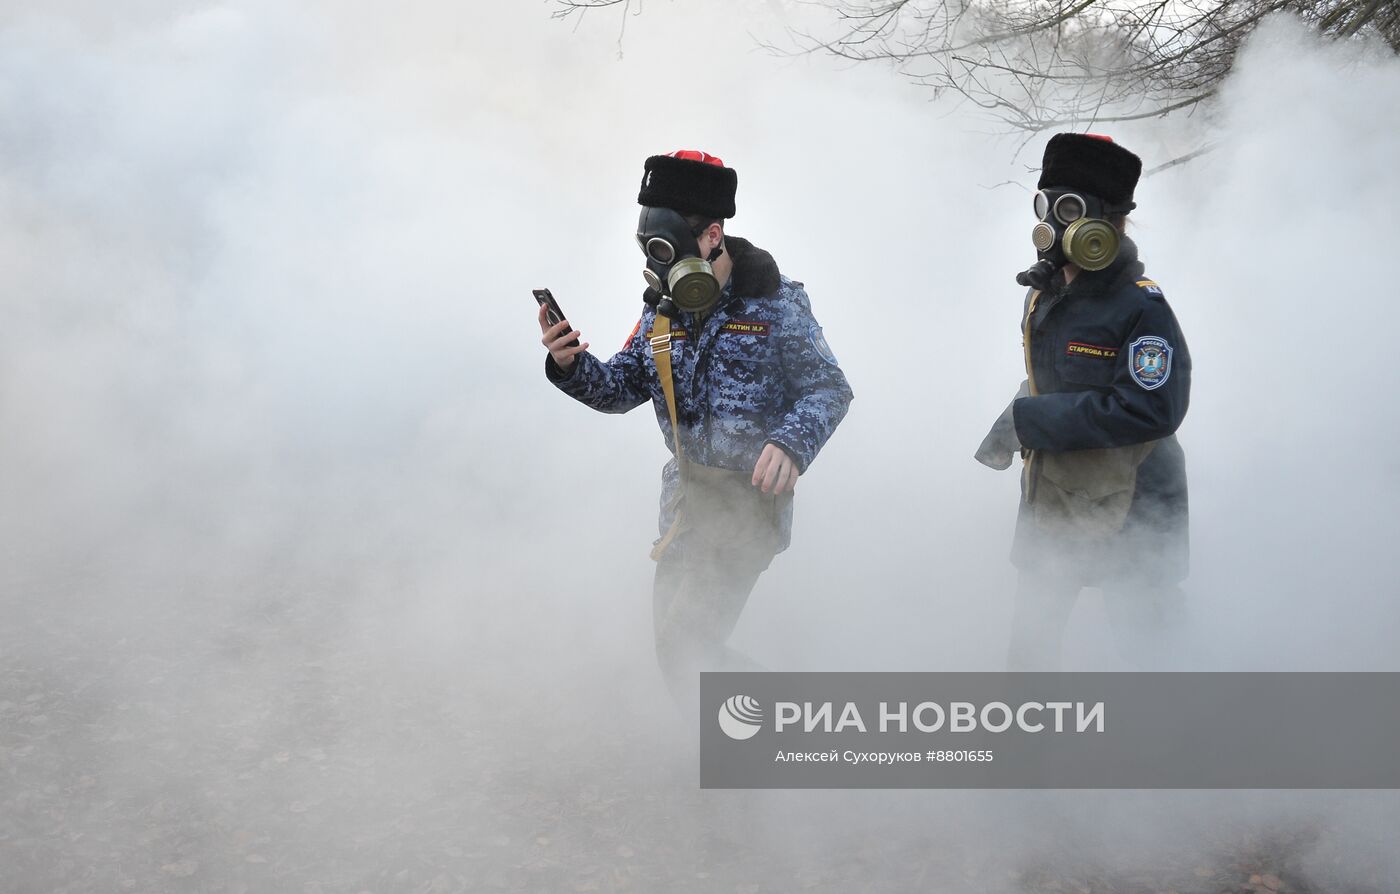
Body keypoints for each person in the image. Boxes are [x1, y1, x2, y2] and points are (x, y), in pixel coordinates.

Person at [538, 149, 853, 708]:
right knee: (675, 653)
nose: (657, 266)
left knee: (688, 645)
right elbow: (620, 390)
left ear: (712, 236)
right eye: (649, 251)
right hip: (686, 507)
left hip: (749, 507)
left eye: (666, 250)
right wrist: (569, 365)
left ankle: (801, 723)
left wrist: (791, 443)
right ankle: (725, 749)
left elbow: (829, 388)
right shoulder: (662, 314)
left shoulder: (777, 303)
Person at [976, 133, 1191, 671]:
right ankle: (1027, 749)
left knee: (1152, 654)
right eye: (1045, 205)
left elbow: (1151, 409)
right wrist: (1012, 418)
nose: (1053, 224)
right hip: (1056, 496)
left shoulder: (1142, 307)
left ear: (1107, 224)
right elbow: (1051, 381)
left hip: (1133, 503)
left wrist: (1033, 419)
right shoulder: (1043, 293)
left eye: (1069, 208)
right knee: (1029, 652)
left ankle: (1180, 750)